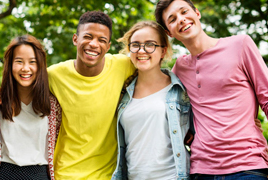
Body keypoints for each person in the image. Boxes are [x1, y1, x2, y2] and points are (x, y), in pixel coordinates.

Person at [155, 0, 268, 179]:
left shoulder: (240, 45)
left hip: (247, 166)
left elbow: (267, 99)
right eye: (173, 19)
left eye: (184, 12)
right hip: (201, 171)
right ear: (169, 32)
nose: (182, 20)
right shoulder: (180, 68)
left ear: (197, 13)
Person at [48, 11, 135, 179]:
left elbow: (155, 72)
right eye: (88, 37)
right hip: (65, 173)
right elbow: (19, 90)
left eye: (102, 40)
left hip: (108, 175)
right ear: (75, 39)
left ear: (108, 46)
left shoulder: (123, 65)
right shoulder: (53, 75)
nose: (94, 44)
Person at [111, 20, 191, 180]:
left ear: (163, 51)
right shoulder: (123, 93)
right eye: (135, 45)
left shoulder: (179, 90)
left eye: (150, 44)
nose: (142, 50)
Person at [0, 35, 61, 180]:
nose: (25, 68)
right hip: (4, 174)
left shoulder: (53, 105)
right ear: (10, 65)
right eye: (19, 62)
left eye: (32, 62)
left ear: (40, 65)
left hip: (40, 175)